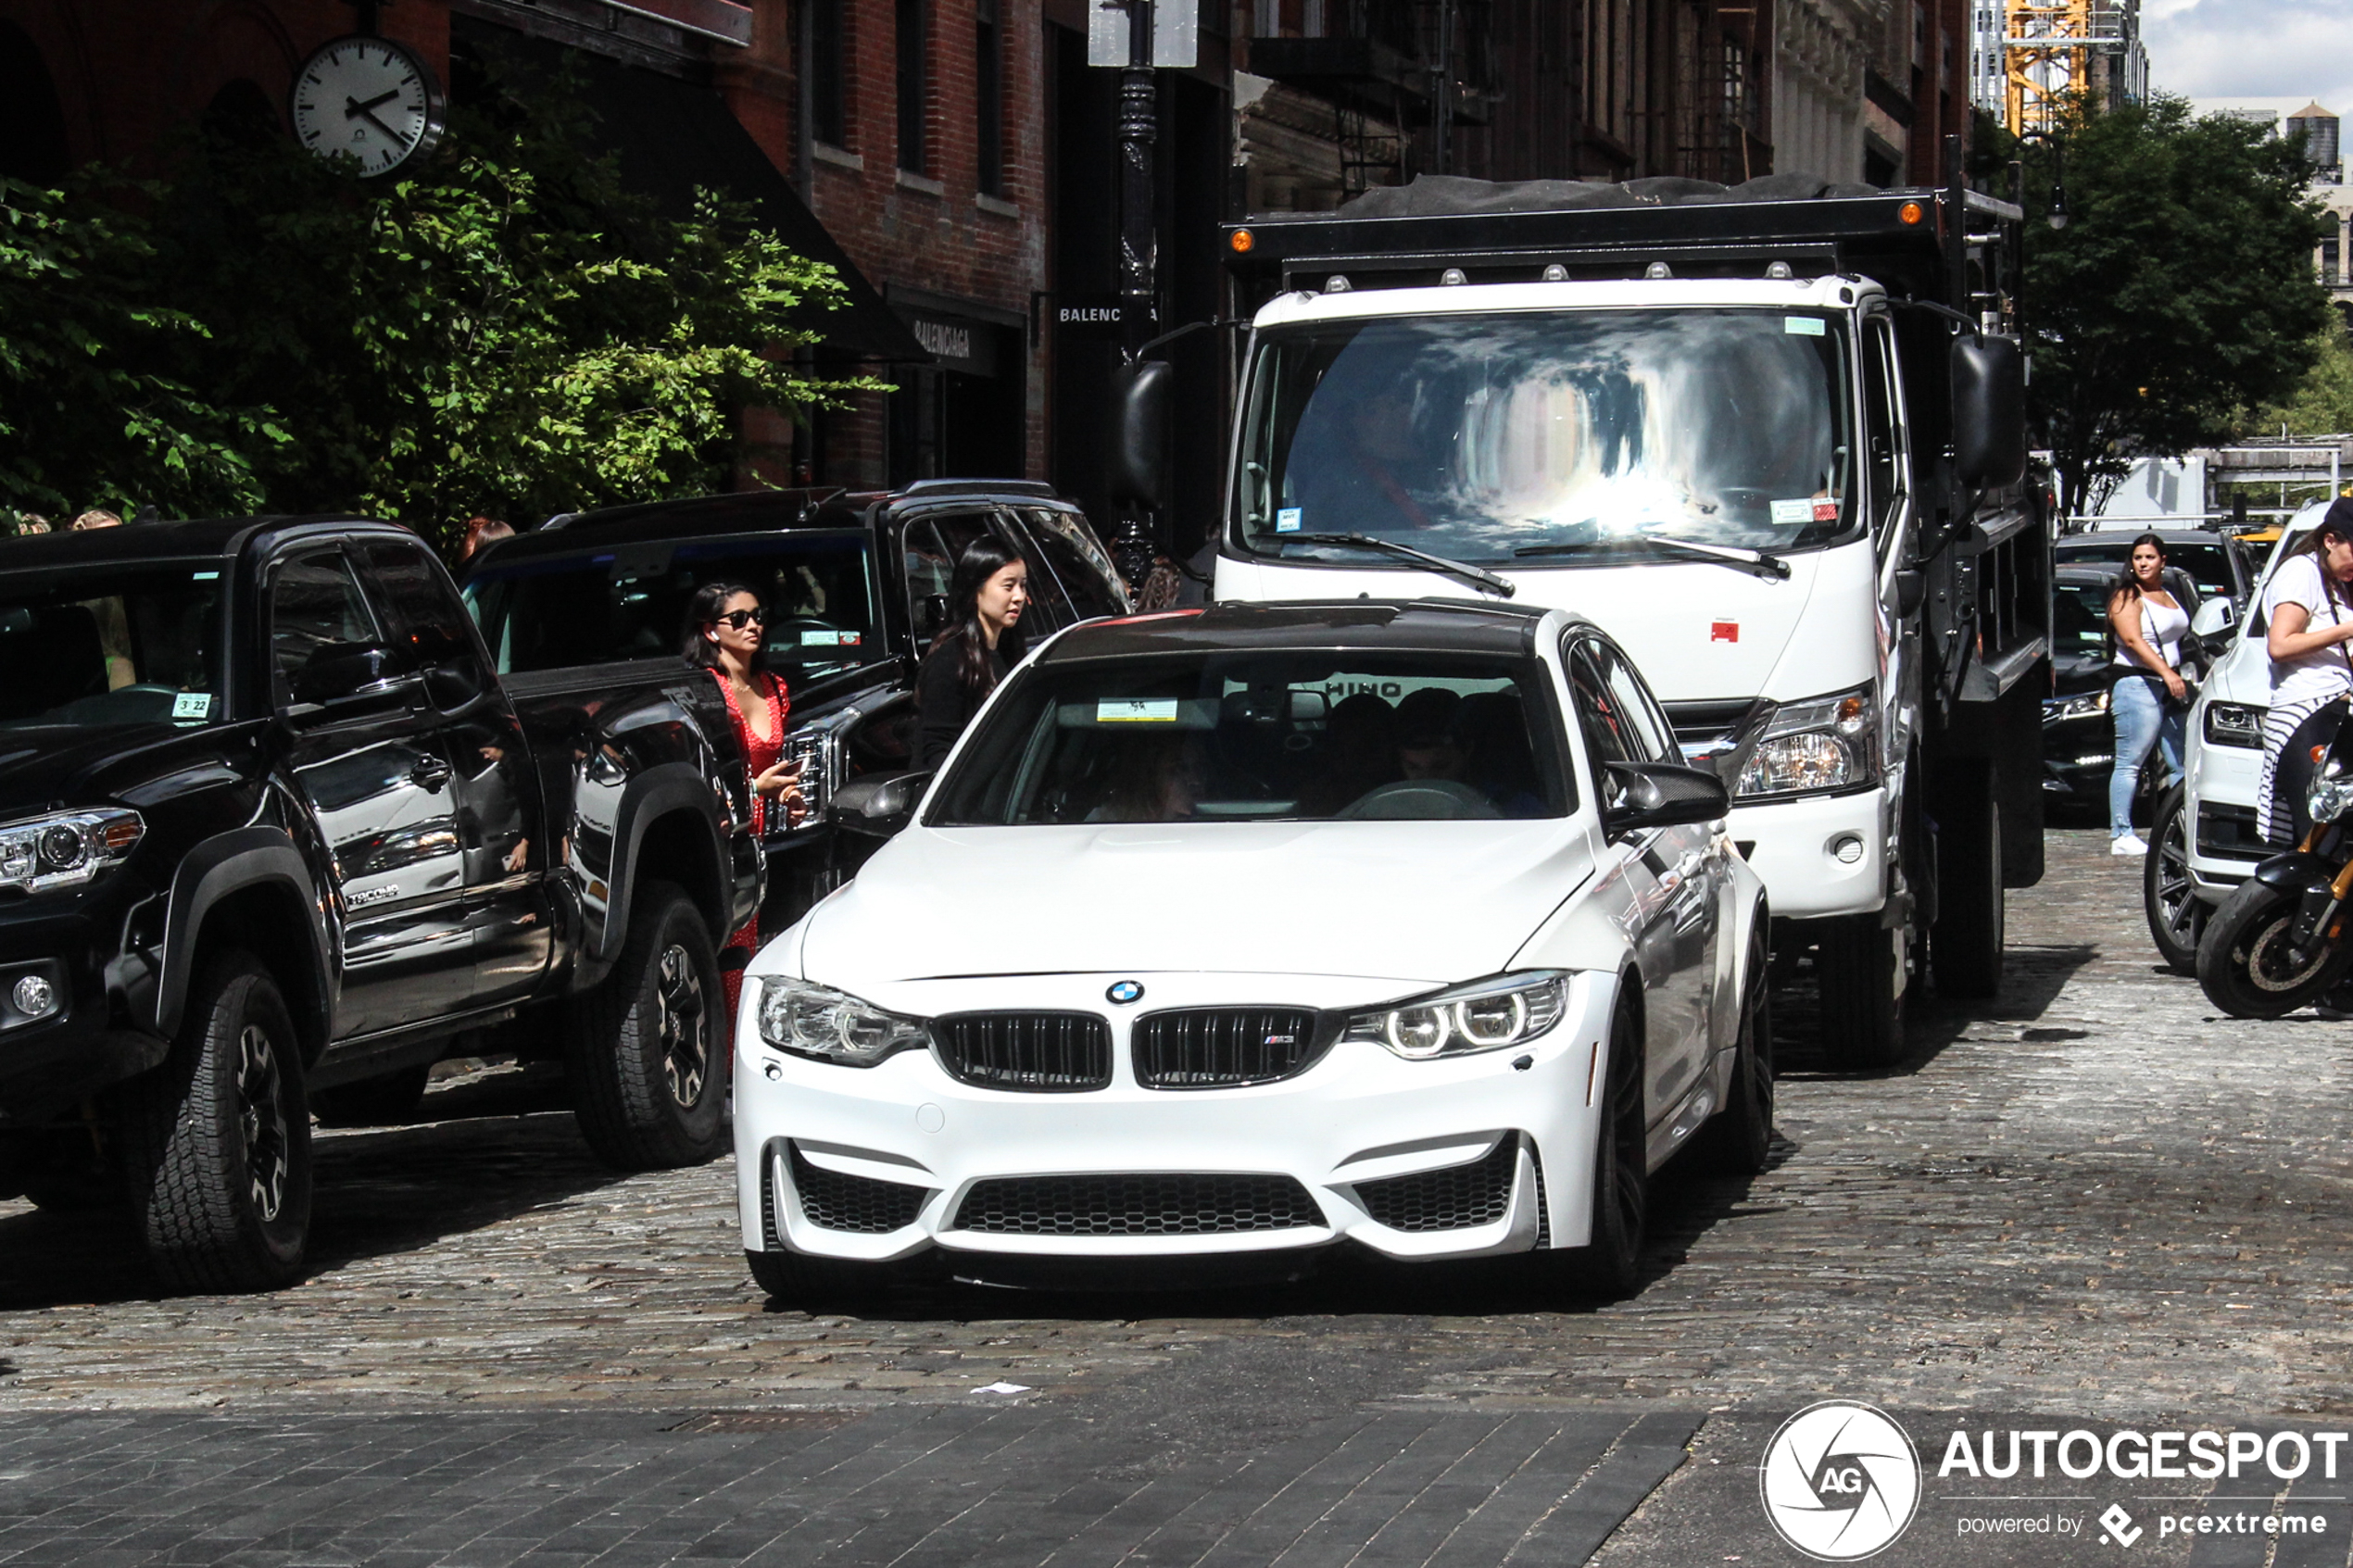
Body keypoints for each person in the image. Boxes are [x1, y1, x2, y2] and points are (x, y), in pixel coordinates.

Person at [683, 583, 805, 1013]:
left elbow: (769, 765)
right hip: (723, 838)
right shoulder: (705, 691)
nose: (753, 625)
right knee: (731, 956)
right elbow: (700, 776)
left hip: (768, 838)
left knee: (766, 953)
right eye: (739, 619)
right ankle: (730, 1065)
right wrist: (755, 788)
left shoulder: (774, 687)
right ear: (711, 631)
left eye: (757, 615)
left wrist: (786, 793)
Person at [2258, 500, 2353, 848]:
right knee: (2319, 838)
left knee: (2339, 837)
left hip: (2337, 715)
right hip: (2306, 714)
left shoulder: (2339, 583)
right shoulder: (2301, 572)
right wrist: (2346, 630)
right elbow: (2280, 645)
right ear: (2330, 540)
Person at [2105, 533, 2191, 856]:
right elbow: (2133, 641)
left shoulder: (2168, 593)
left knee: (2181, 762)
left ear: (2163, 561)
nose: (2143, 563)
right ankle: (2121, 833)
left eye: (2150, 557)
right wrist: (2166, 672)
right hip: (2137, 683)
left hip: (2169, 687)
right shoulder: (2127, 596)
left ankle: (2183, 826)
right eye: (2138, 557)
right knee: (2131, 761)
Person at [915, 537, 1028, 770]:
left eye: (1023, 585)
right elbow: (938, 747)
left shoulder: (1013, 654)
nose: (1018, 596)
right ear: (976, 590)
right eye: (1008, 586)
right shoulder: (950, 659)